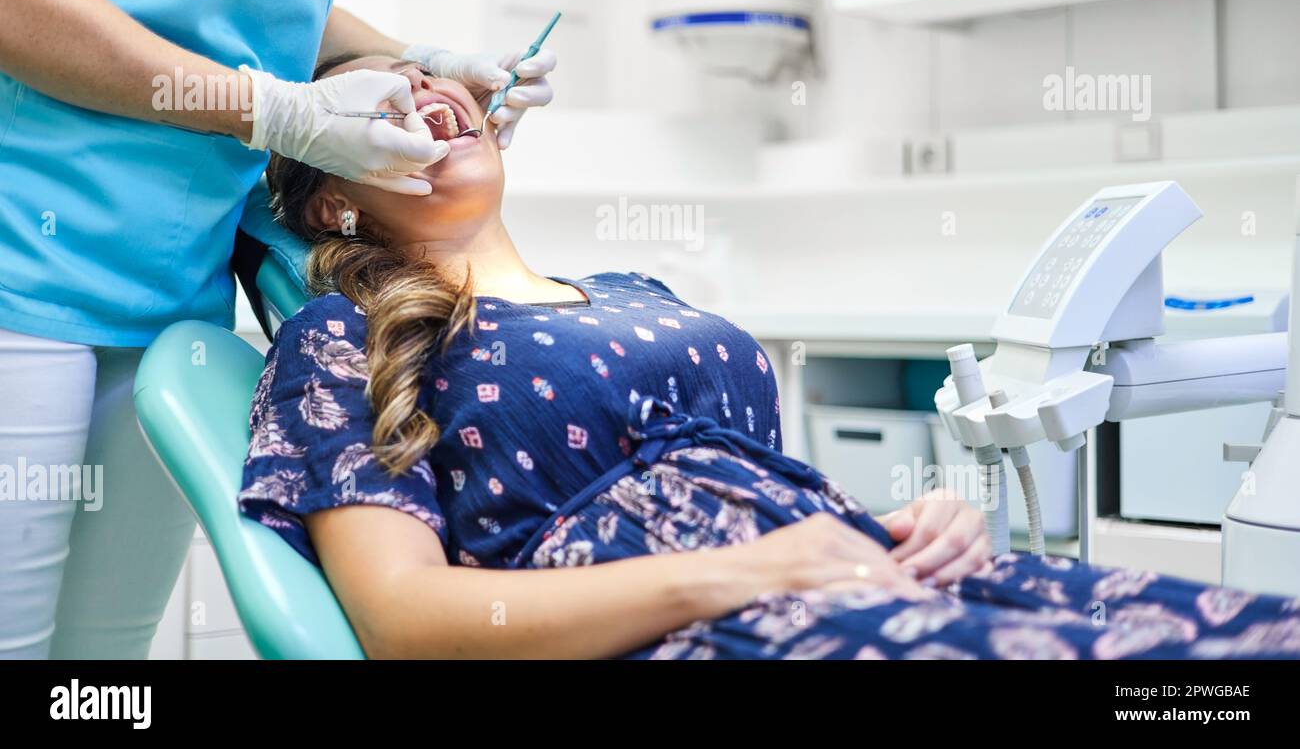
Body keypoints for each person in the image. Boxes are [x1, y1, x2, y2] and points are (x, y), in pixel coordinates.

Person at [239, 55, 1300, 659]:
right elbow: (402, 620)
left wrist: (907, 521)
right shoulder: (346, 338)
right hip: (713, 624)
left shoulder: (635, 294)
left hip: (850, 575)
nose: (425, 94)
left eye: (429, 77)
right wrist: (748, 571)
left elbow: (761, 497)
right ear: (335, 193)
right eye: (379, 107)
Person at [0, 0, 554, 658]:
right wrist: (268, 111)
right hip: (23, 270)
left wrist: (423, 63)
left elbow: (273, 4)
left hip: (173, 305)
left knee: (102, 666)